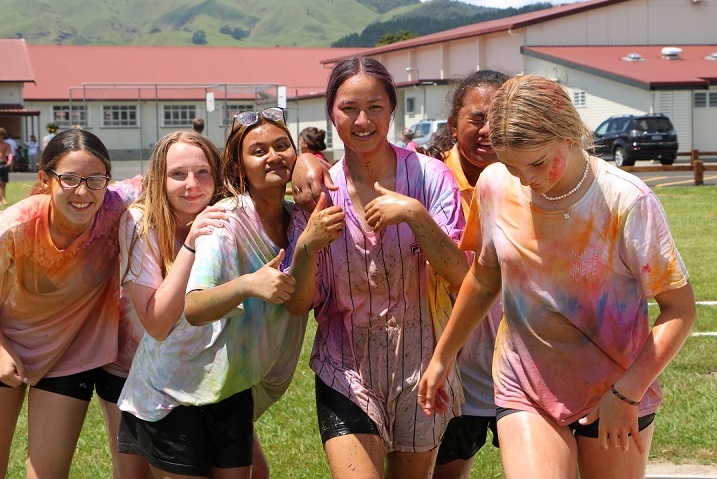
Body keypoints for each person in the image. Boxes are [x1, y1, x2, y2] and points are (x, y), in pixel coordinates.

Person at [419, 75, 697, 479]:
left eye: (537, 162)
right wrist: (442, 357)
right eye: (512, 165)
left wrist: (628, 392)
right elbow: (483, 278)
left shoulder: (627, 201)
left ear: (567, 131)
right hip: (525, 386)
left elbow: (680, 310)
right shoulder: (496, 185)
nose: (527, 179)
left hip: (615, 389)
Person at [284, 56, 468, 479]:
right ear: (331, 112)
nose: (362, 120)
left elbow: (460, 275)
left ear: (392, 110)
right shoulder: (319, 193)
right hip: (344, 368)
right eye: (348, 108)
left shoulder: (430, 178)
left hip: (422, 367)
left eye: (375, 108)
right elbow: (298, 305)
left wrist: (416, 215)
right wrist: (308, 247)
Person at [119, 109, 308, 478]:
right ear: (159, 180)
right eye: (178, 174)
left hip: (222, 384)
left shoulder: (228, 215)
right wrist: (191, 244)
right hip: (164, 388)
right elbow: (158, 323)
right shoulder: (143, 224)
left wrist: (307, 167)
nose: (192, 184)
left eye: (202, 172)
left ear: (220, 174)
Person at [0, 128, 142, 478]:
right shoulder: (13, 228)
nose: (83, 192)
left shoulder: (114, 205)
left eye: (95, 179)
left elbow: (176, 176)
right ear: (45, 179)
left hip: (70, 355)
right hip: (6, 349)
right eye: (69, 179)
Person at [423, 69, 510, 479]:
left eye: (500, 117)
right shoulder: (427, 181)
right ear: (453, 124)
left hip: (520, 368)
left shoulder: (532, 180)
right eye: (476, 118)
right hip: (452, 368)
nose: (488, 129)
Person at [0, 128, 13, 205]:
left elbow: (10, 153)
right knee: (1, 182)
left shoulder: (6, 144)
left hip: (4, 163)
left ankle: (1, 198)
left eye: (1, 135)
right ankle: (3, 199)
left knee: (4, 182)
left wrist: (9, 161)